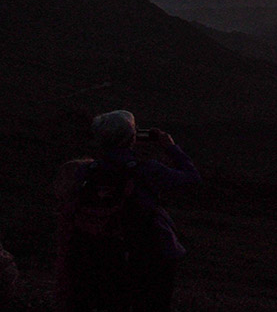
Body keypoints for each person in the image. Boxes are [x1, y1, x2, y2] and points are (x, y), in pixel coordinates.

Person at [56, 110, 200, 312]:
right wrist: (170, 147)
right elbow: (192, 178)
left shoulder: (84, 171)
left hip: (102, 253)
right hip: (151, 254)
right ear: (132, 137)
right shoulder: (146, 169)